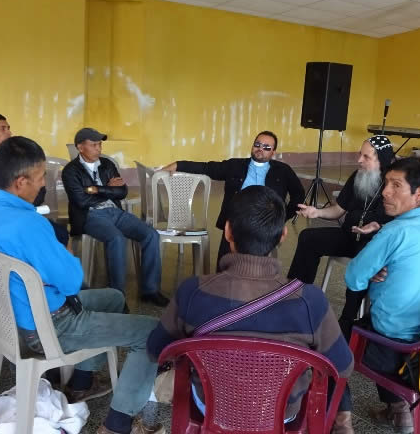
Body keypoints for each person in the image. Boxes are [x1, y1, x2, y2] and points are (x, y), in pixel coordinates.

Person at [0, 136, 162, 434]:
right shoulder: (29, 224)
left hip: (15, 318)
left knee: (113, 298)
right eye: (40, 177)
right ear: (20, 182)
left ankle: (83, 381)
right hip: (52, 325)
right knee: (150, 332)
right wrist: (65, 252)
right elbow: (71, 283)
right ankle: (118, 425)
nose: (43, 183)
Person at [146, 185, 355, 433]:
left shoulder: (191, 292)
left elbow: (155, 350)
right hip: (282, 413)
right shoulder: (311, 301)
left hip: (211, 407)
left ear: (227, 231)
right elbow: (343, 366)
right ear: (283, 235)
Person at [344, 157, 420, 434]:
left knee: (340, 333)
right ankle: (398, 409)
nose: (385, 192)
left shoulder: (394, 232)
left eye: (396, 185)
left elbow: (353, 279)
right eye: (386, 184)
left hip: (392, 343)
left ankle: (345, 417)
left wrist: (371, 270)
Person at [160, 131, 304, 268]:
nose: (260, 149)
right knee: (224, 264)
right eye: (257, 144)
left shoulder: (283, 170)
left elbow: (298, 193)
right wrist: (178, 165)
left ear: (273, 152)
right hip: (235, 222)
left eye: (267, 147)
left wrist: (282, 217)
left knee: (258, 266)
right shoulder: (235, 165)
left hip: (265, 226)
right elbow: (207, 167)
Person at [62, 127, 168, 306]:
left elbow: (122, 192)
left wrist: (96, 189)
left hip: (115, 212)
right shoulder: (70, 171)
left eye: (100, 144)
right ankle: (117, 296)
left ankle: (150, 290)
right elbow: (81, 200)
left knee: (151, 234)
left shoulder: (107, 164)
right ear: (80, 147)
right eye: (94, 145)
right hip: (90, 215)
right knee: (116, 238)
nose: (99, 149)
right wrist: (108, 189)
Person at [288, 136, 396, 285]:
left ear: (382, 161)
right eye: (360, 154)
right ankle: (296, 290)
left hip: (374, 242)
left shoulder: (394, 185)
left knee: (365, 257)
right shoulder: (358, 176)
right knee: (308, 238)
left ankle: (354, 300)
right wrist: (317, 212)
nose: (359, 160)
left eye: (366, 157)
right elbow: (338, 209)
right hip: (349, 235)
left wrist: (378, 228)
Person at [0, 113, 69, 245]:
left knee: (61, 234)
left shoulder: (20, 160)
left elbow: (40, 190)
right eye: (3, 129)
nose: (9, 133)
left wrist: (22, 206)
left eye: (8, 128)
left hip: (24, 216)